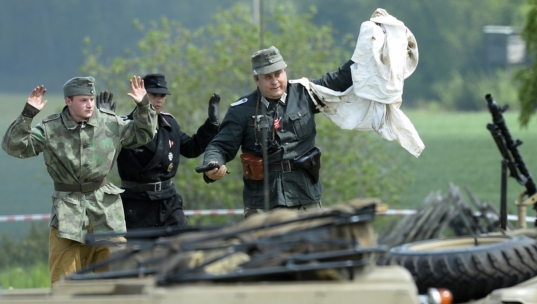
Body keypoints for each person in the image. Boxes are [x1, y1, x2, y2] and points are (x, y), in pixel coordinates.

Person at [1, 76, 157, 283]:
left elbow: (145, 134)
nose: (90, 104)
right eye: (83, 100)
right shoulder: (50, 128)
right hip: (68, 214)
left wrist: (144, 105)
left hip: (106, 212)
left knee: (118, 278)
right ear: (68, 101)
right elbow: (13, 146)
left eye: (91, 99)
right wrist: (28, 114)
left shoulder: (110, 123)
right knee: (64, 281)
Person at [201, 46, 354, 217]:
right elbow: (220, 146)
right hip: (263, 202)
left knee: (313, 244)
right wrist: (213, 163)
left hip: (304, 196)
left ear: (285, 71)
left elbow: (342, 79)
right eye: (267, 77)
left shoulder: (306, 94)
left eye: (278, 73)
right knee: (260, 244)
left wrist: (369, 44)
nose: (274, 81)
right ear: (256, 79)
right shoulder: (241, 110)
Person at [102, 74, 222, 229]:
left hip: (168, 202)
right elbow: (101, 157)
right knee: (140, 252)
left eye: (162, 96)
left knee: (181, 248)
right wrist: (103, 124)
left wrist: (211, 124)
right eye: (153, 95)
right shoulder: (124, 127)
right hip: (137, 204)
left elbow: (192, 148)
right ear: (142, 95)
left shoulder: (169, 124)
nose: (159, 100)